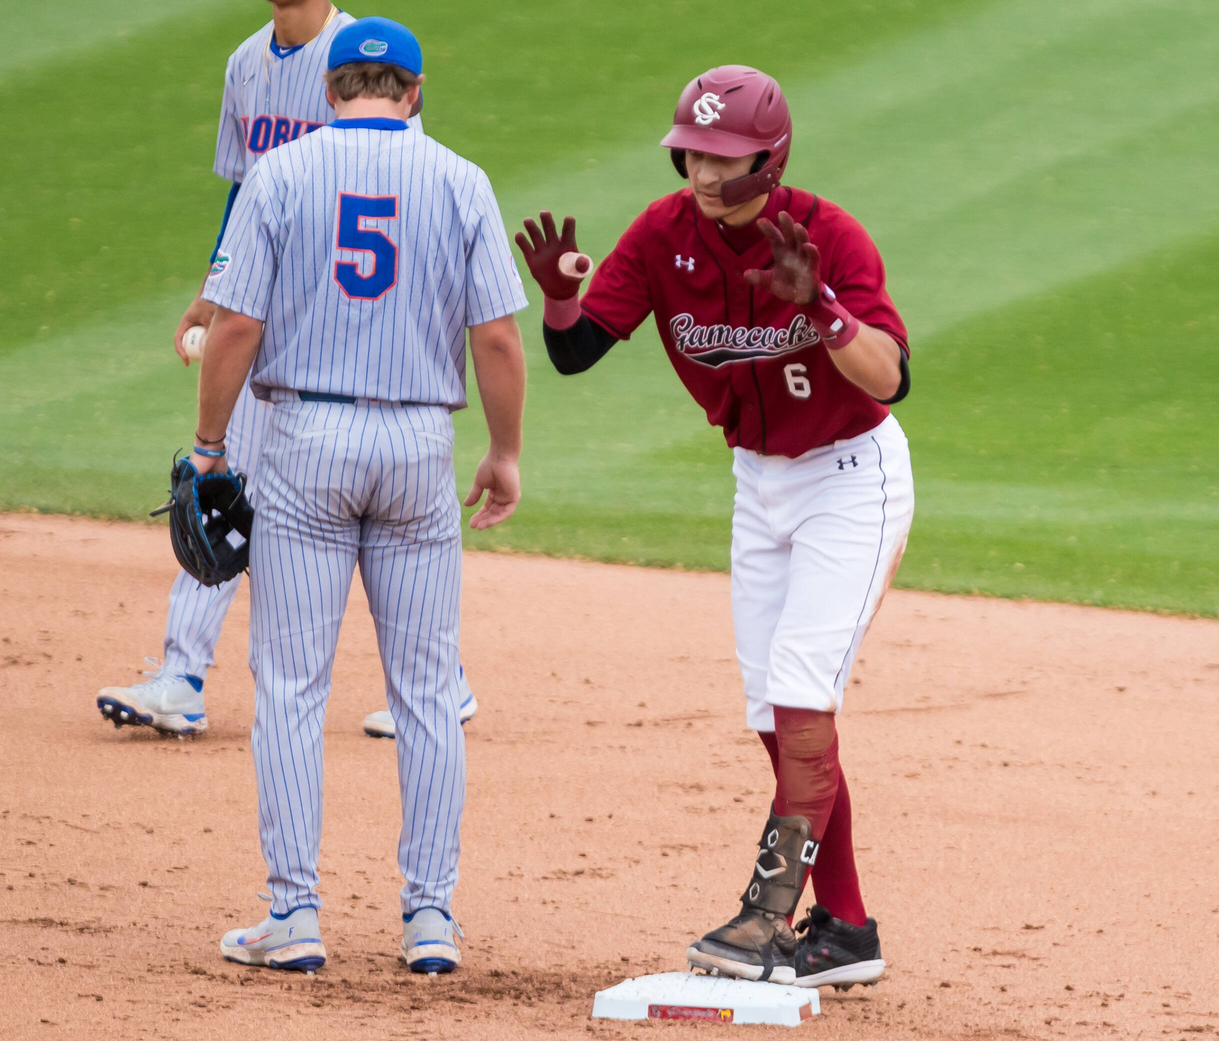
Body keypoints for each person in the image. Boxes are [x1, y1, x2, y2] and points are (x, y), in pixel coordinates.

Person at [516, 65, 913, 988]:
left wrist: (821, 306)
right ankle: (847, 930)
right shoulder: (663, 235)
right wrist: (560, 299)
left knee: (805, 693)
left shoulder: (829, 237)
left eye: (723, 157)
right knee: (774, 713)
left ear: (769, 158)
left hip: (850, 481)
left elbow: (889, 375)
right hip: (758, 484)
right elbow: (577, 353)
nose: (701, 171)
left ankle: (771, 915)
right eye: (692, 152)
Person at [194, 17, 527, 973]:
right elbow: (499, 340)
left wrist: (212, 447)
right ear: (413, 92)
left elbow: (233, 326)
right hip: (420, 445)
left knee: (292, 688)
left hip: (304, 442)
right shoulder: (461, 179)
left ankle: (293, 914)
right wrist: (503, 450)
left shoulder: (283, 176)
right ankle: (431, 919)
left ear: (330, 90)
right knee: (425, 690)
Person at [92, 0, 478, 736]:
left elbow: (399, 177)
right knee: (224, 482)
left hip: (339, 317)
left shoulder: (362, 56)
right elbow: (243, 191)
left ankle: (444, 676)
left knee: (329, 501)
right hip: (264, 302)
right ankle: (181, 673)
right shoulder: (246, 65)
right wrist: (216, 290)